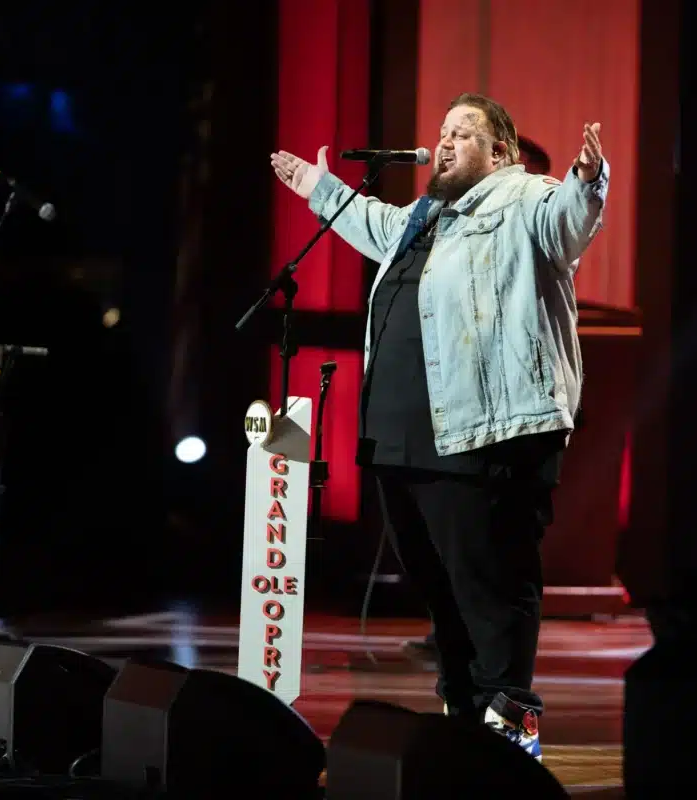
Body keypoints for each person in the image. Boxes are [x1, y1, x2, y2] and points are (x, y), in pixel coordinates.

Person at [270, 94, 608, 761]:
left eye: (465, 133)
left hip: (488, 438)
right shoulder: (424, 218)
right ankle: (462, 725)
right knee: (439, 589)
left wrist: (587, 180)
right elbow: (369, 221)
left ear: (501, 152)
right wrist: (318, 187)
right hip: (405, 444)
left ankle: (509, 741)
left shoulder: (524, 200)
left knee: (491, 588)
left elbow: (568, 220)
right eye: (444, 131)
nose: (446, 142)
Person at [403, 134, 554, 662]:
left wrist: (588, 182)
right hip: (469, 426)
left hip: (518, 430)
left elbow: (576, 212)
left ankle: (511, 722)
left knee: (501, 569)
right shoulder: (462, 233)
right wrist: (322, 190)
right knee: (457, 560)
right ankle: (463, 684)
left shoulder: (538, 221)